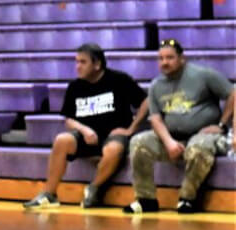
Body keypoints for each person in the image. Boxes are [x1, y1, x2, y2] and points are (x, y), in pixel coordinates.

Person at [24, 44, 148, 210]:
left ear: (97, 65)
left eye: (83, 62)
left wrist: (132, 128)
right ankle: (49, 194)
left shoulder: (119, 80)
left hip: (114, 134)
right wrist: (84, 129)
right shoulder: (75, 86)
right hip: (87, 136)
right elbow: (68, 119)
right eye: (76, 62)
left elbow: (146, 102)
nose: (78, 67)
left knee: (113, 149)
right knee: (62, 140)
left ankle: (94, 188)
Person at [125, 40, 234, 214]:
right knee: (139, 142)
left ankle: (187, 198)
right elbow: (155, 118)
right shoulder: (156, 85)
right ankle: (146, 199)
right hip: (173, 136)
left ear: (182, 59)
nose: (164, 62)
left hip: (204, 134)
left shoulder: (202, 75)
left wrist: (222, 124)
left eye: (170, 58)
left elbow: (232, 93)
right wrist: (168, 142)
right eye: (160, 58)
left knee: (198, 147)